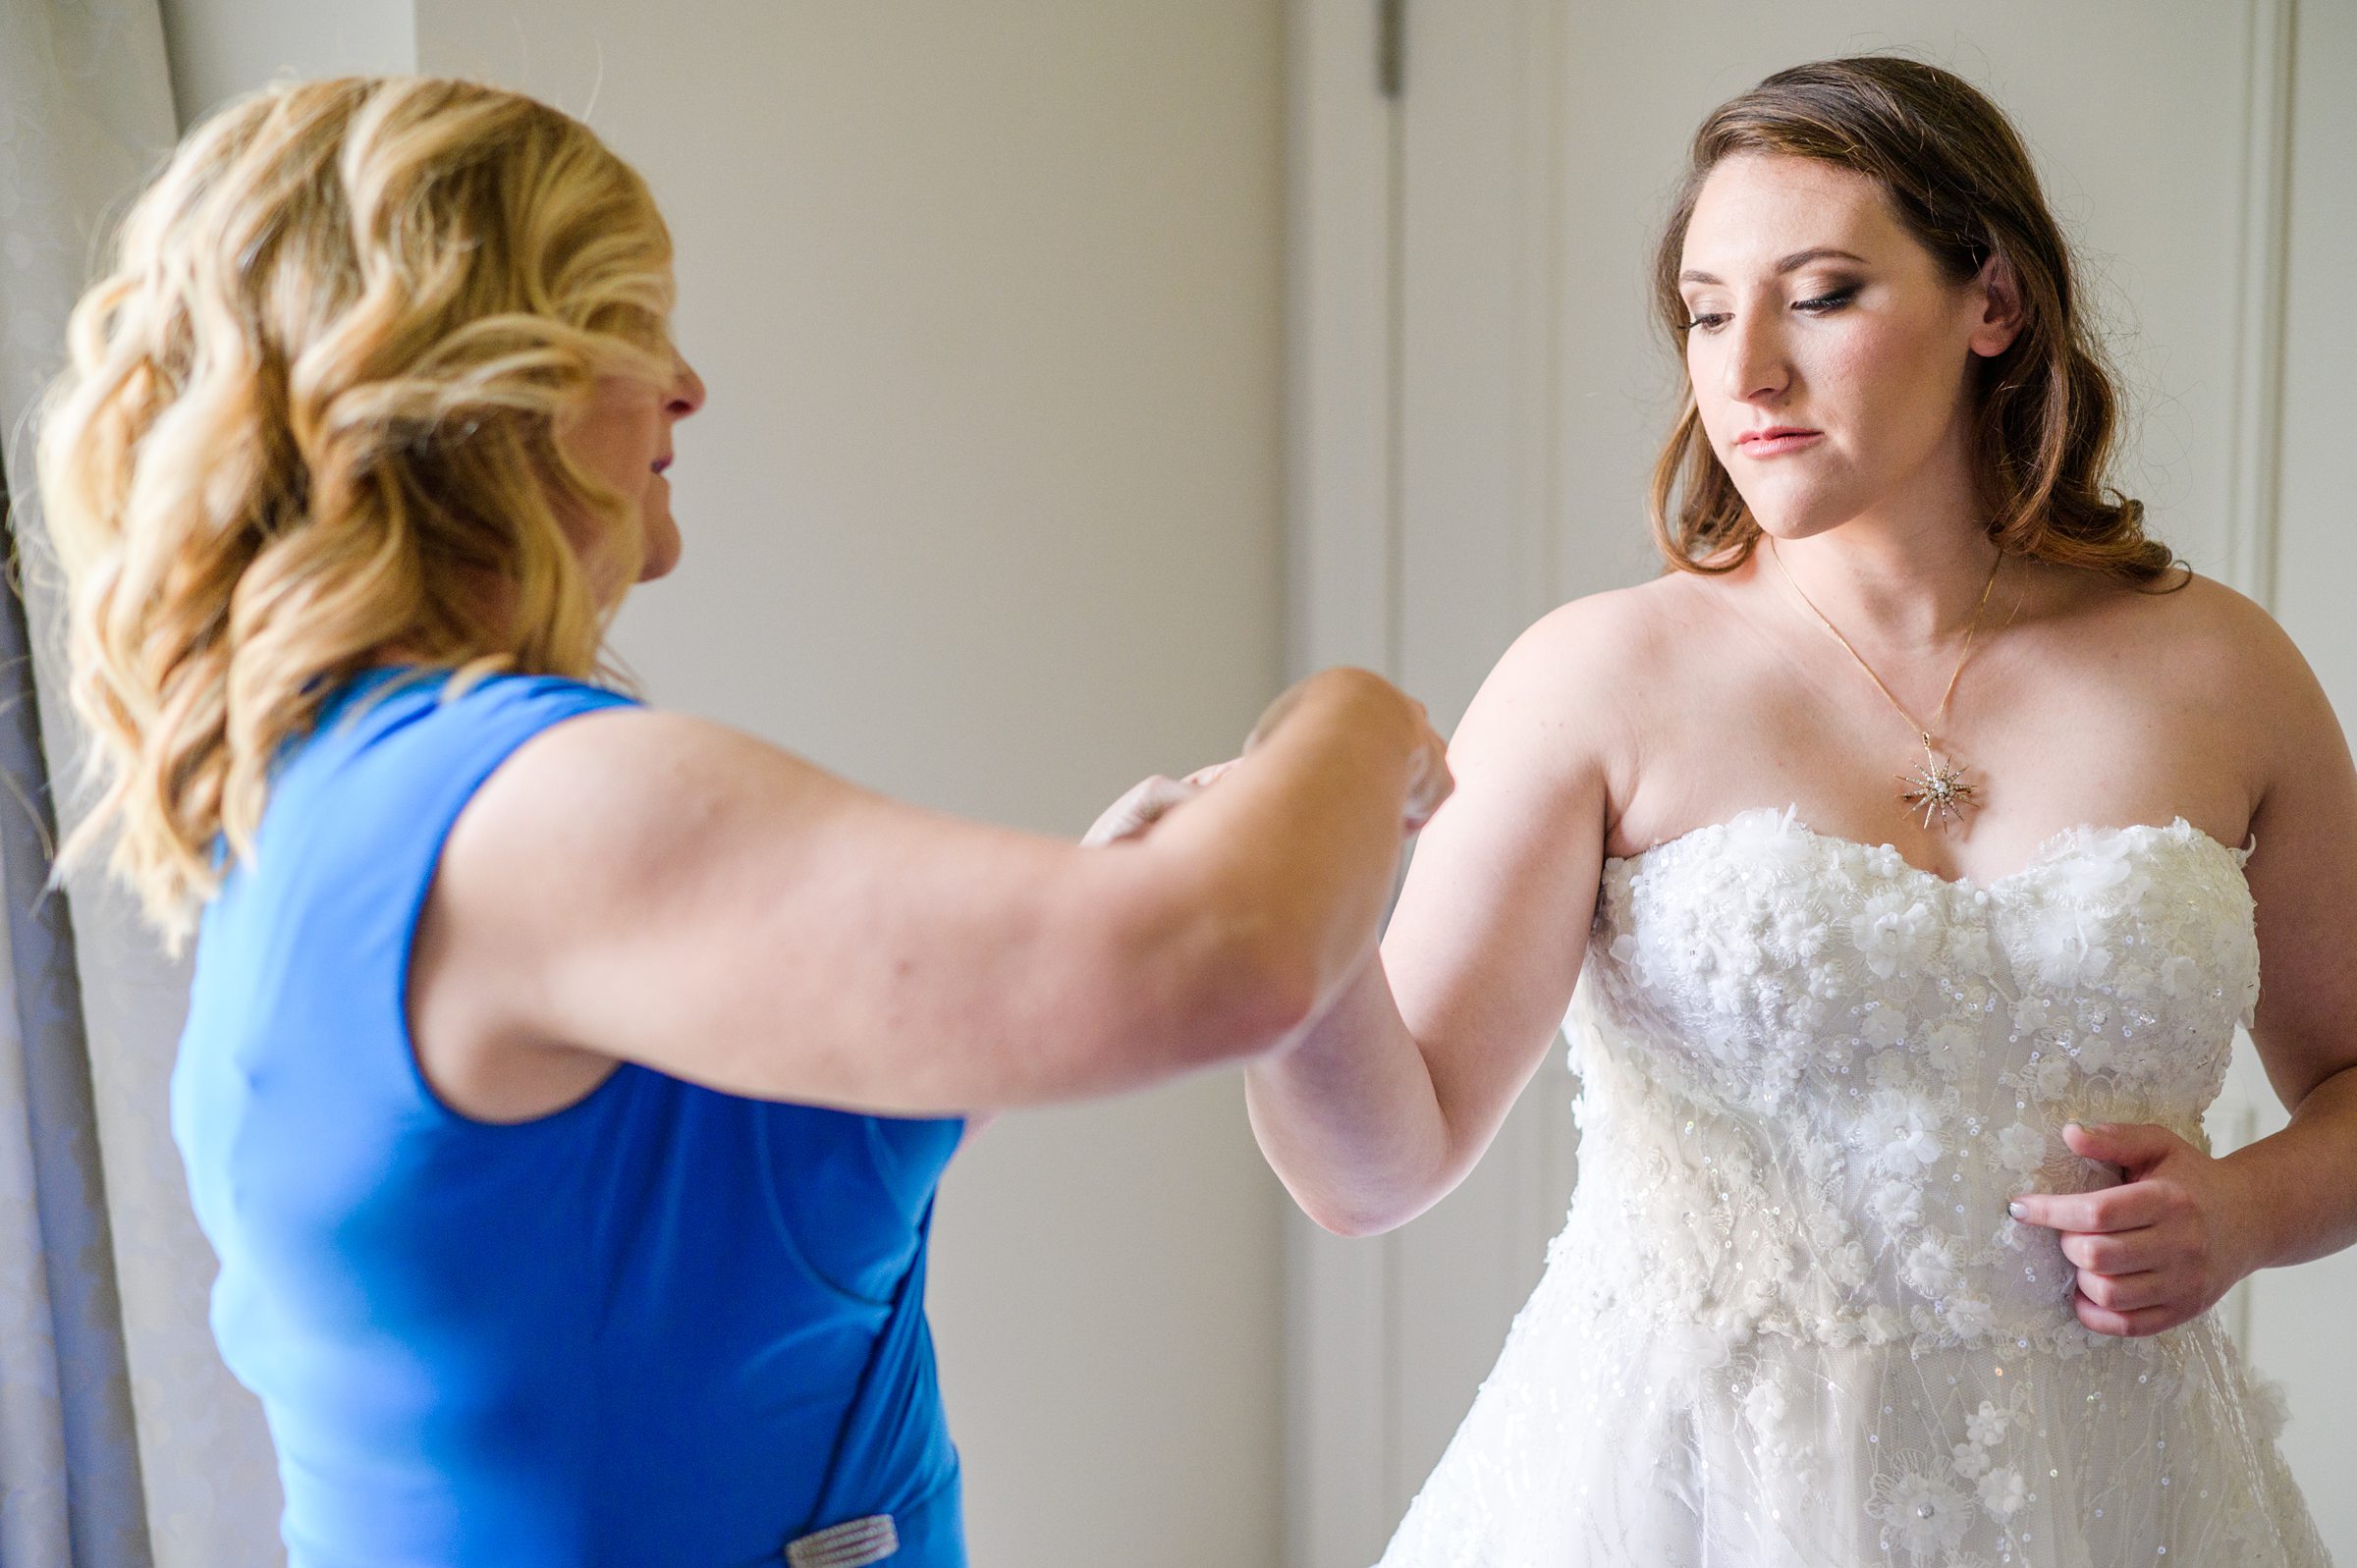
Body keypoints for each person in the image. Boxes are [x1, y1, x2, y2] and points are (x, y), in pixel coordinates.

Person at [33, 77, 1450, 1568]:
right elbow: (1233, 954)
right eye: (629, 321)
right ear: (480, 383)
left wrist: (1075, 895)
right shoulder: (534, 805)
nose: (687, 385)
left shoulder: (340, 800)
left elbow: (651, 1240)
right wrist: (1351, 723)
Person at [1211, 56, 2347, 1564]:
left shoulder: (2223, 666)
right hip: (1690, 1496)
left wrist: (2253, 1209)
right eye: (1702, 308)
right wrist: (1288, 930)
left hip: (2125, 1499)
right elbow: (1378, 1167)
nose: (1743, 369)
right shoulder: (1597, 677)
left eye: (1818, 296)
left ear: (1992, 303)